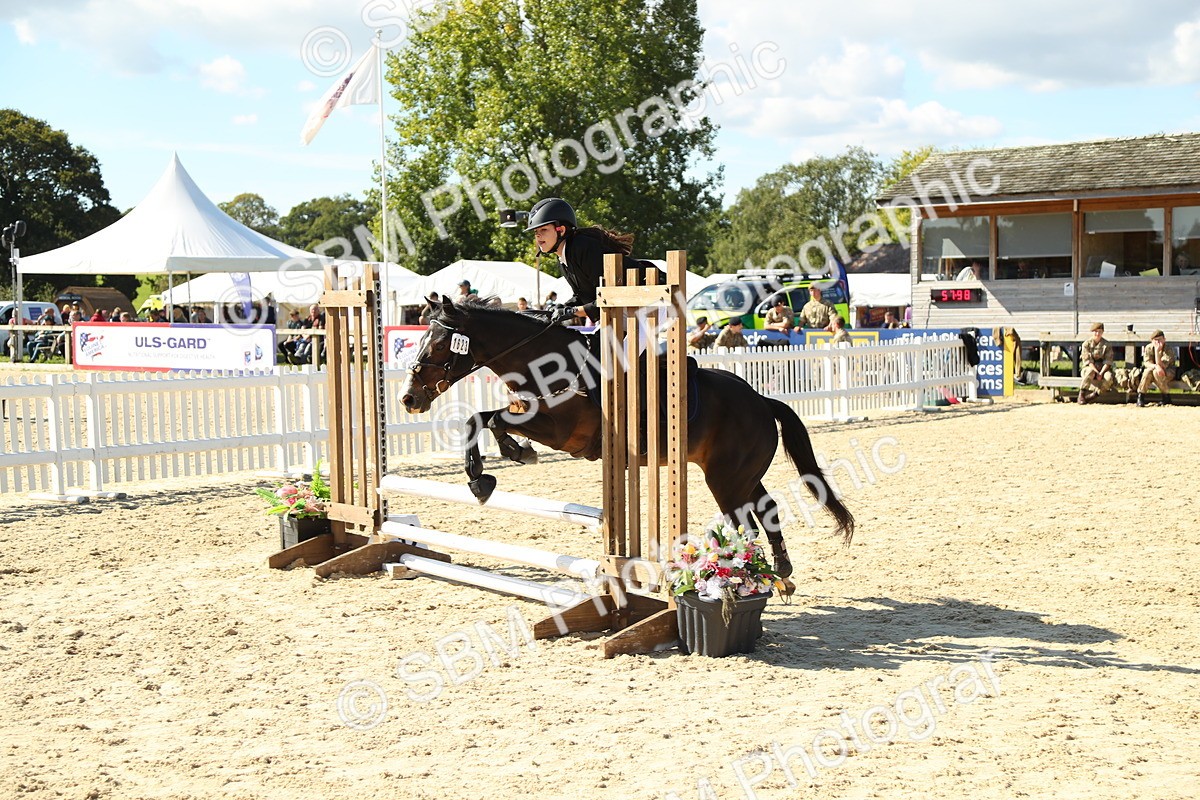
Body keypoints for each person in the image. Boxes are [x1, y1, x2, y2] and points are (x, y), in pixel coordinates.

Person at [524, 197, 661, 324]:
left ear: (561, 230)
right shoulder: (564, 257)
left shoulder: (581, 247)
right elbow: (584, 295)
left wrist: (573, 312)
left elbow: (609, 295)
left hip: (656, 302)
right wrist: (563, 307)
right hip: (628, 309)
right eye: (536, 231)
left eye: (544, 229)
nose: (538, 235)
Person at [1136, 330, 1176, 406]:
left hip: (1168, 371)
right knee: (1148, 371)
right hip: (1154, 369)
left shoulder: (1168, 349)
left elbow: (1163, 366)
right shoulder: (1148, 348)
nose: (1157, 342)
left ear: (1164, 339)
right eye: (1155, 340)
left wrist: (1157, 351)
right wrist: (1155, 366)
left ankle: (1166, 397)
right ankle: (1140, 396)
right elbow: (1147, 362)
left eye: (1159, 340)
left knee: (1156, 372)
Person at [1078, 322, 1114, 404]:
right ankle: (1082, 394)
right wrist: (1096, 371)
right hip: (1090, 368)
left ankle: (1095, 394)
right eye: (1096, 331)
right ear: (1092, 332)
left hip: (1103, 369)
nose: (1097, 333)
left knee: (1109, 377)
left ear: (1102, 332)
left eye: (1100, 331)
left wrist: (1101, 373)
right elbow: (1088, 361)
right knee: (1090, 372)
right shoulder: (1086, 344)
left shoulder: (1107, 345)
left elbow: (1108, 361)